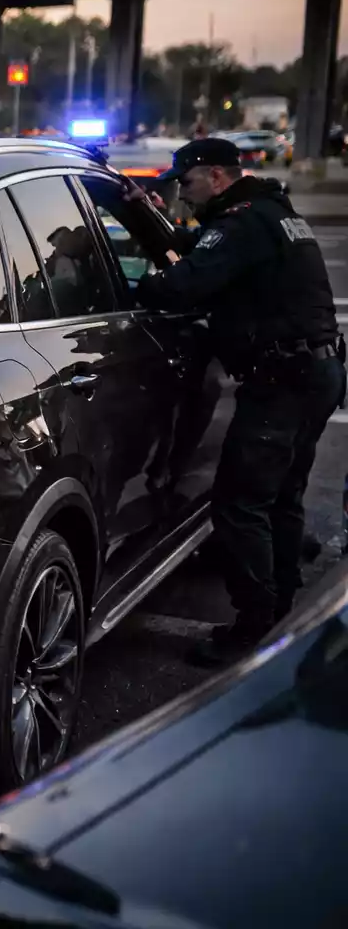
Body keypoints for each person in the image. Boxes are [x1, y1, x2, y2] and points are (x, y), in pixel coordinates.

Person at [132, 138, 344, 667]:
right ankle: (281, 614)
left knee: (240, 505)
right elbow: (207, 253)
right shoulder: (271, 212)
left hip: (283, 380)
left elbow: (184, 284)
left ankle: (254, 629)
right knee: (280, 498)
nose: (182, 194)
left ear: (216, 176)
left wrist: (139, 287)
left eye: (186, 183)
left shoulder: (241, 223)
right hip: (314, 372)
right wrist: (157, 225)